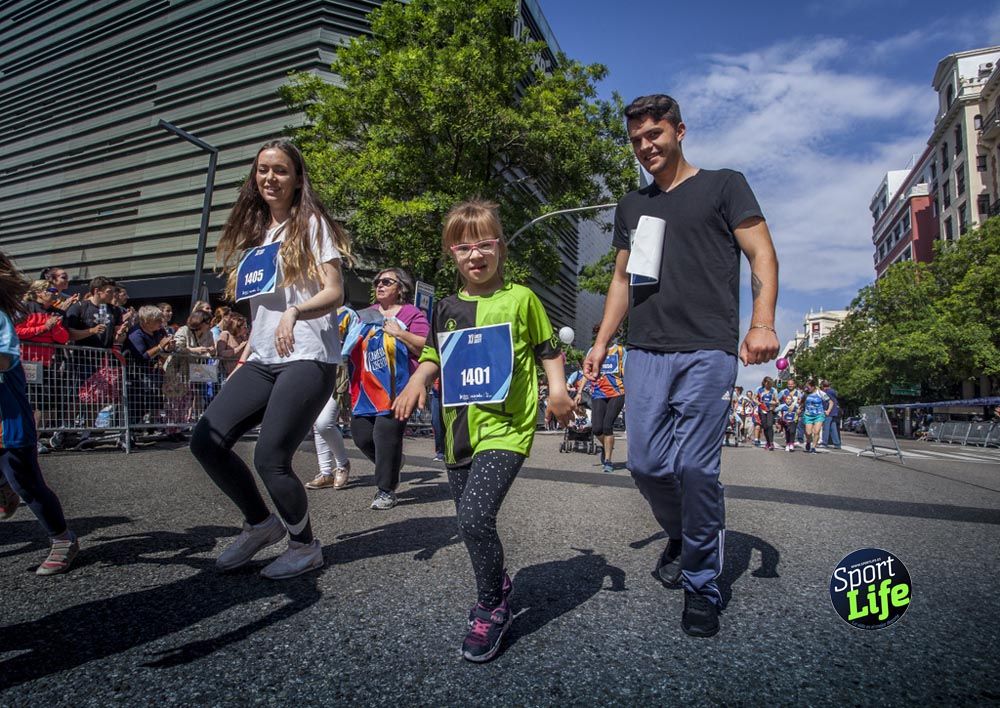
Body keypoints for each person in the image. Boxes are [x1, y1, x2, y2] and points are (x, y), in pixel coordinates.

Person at [583, 94, 779, 638]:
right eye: (636, 139)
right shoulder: (632, 206)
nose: (646, 146)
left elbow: (761, 253)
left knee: (696, 469)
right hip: (645, 350)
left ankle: (701, 582)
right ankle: (685, 531)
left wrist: (761, 322)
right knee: (646, 465)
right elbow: (622, 279)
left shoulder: (724, 185)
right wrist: (602, 342)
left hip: (708, 348)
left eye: (655, 134)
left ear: (679, 131)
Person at [393, 199, 573, 663]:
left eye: (484, 244)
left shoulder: (522, 299)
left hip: (507, 427)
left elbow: (549, 349)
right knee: (472, 524)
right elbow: (433, 355)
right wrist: (416, 381)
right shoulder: (446, 308)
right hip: (459, 431)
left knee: (474, 518)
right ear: (452, 253)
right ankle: (498, 582)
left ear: (500, 247)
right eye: (463, 247)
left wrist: (557, 390)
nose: (475, 255)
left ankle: (491, 607)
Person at [189, 138, 350, 579]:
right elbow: (262, 309)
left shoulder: (312, 224)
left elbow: (335, 292)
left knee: (270, 457)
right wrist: (247, 350)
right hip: (263, 357)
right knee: (206, 440)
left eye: (280, 170)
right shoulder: (258, 235)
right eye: (263, 169)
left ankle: (305, 546)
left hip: (308, 354)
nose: (270, 178)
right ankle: (261, 524)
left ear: (297, 179)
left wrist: (295, 311)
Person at [0, 252, 79, 574]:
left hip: (7, 420)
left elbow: (5, 360)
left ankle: (62, 539)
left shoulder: (1, 319)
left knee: (27, 484)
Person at [345, 268, 429, 510]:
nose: (379, 285)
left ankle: (386, 490)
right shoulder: (364, 314)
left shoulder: (412, 314)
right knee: (361, 436)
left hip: (398, 389)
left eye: (386, 281)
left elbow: (427, 346)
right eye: (376, 282)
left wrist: (400, 333)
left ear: (400, 287)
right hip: (366, 389)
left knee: (385, 436)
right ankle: (393, 461)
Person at [306, 306, 358, 490]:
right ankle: (326, 472)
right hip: (315, 369)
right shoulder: (311, 309)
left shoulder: (348, 314)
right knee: (317, 423)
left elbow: (354, 343)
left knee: (324, 422)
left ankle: (342, 464)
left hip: (339, 373)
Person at [16, 281, 71, 452]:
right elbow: (17, 331)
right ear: (39, 292)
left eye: (55, 290)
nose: (55, 292)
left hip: (46, 363)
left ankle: (34, 439)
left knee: (43, 403)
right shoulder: (25, 308)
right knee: (27, 402)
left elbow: (63, 338)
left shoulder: (57, 312)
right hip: (25, 361)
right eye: (51, 290)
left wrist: (53, 328)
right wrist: (44, 327)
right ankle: (22, 438)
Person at [578, 324, 626, 473]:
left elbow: (627, 372)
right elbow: (586, 373)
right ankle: (606, 446)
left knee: (607, 426)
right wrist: (579, 392)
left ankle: (608, 461)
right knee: (597, 428)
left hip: (617, 392)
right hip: (598, 393)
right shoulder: (592, 351)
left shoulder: (620, 350)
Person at [123, 305, 176, 427]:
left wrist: (168, 347)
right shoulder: (136, 334)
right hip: (136, 374)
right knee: (137, 404)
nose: (161, 322)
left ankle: (149, 426)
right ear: (146, 322)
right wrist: (160, 347)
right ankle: (131, 430)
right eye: (157, 320)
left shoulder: (159, 330)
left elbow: (164, 347)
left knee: (154, 400)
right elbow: (142, 356)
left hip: (153, 372)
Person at [801, 379, 832, 453]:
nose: (807, 388)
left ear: (813, 386)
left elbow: (831, 402)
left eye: (808, 387)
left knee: (816, 431)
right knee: (808, 433)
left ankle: (813, 447)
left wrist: (828, 411)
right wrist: (799, 409)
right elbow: (802, 403)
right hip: (808, 415)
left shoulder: (820, 393)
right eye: (806, 387)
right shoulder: (806, 393)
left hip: (819, 414)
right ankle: (808, 441)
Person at [755, 376, 779, 451]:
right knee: (765, 426)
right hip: (762, 410)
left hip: (770, 410)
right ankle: (768, 442)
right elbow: (754, 398)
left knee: (770, 425)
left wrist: (773, 403)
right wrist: (759, 403)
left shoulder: (773, 390)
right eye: (768, 383)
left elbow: (777, 401)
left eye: (771, 384)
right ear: (765, 383)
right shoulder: (759, 389)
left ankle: (771, 443)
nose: (769, 385)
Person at [820, 380, 841, 449]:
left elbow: (827, 402)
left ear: (822, 386)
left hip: (828, 412)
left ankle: (824, 443)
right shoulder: (833, 391)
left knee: (826, 428)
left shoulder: (826, 392)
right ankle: (837, 444)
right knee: (833, 428)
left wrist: (826, 410)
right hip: (834, 412)